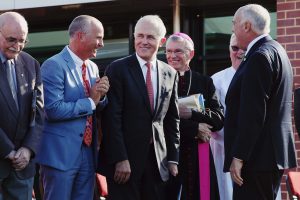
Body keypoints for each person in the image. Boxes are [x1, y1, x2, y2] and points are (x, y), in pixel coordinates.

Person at [98, 15, 180, 200]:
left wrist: (173, 158)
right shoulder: (117, 69)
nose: (144, 41)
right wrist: (120, 158)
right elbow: (112, 118)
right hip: (125, 164)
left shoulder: (170, 73)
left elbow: (171, 119)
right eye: (139, 36)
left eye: (150, 37)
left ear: (162, 41)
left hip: (158, 163)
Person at [224, 4, 297, 200]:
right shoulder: (277, 50)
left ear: (246, 26)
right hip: (268, 156)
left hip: (256, 158)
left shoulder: (258, 56)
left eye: (235, 23)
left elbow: (253, 113)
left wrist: (239, 156)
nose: (233, 28)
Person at [36, 15, 109, 200]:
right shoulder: (53, 65)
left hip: (87, 153)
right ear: (80, 36)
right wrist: (91, 101)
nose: (102, 44)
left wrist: (102, 96)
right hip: (60, 155)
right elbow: (52, 110)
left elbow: (95, 106)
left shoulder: (92, 67)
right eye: (98, 37)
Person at [165, 32, 224, 200]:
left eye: (178, 51)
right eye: (168, 51)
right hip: (168, 154)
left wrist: (192, 113)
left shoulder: (204, 82)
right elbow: (159, 120)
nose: (172, 56)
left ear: (190, 54)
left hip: (197, 154)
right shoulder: (159, 80)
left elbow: (219, 118)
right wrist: (195, 127)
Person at [0, 12, 44, 200]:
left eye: (22, 41)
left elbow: (40, 113)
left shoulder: (31, 64)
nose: (17, 46)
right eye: (11, 40)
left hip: (22, 167)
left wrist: (28, 149)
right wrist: (8, 150)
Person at [210, 33, 244, 200]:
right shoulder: (216, 80)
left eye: (244, 49)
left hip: (254, 151)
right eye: (235, 48)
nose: (239, 52)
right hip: (223, 149)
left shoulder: (260, 75)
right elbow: (213, 118)